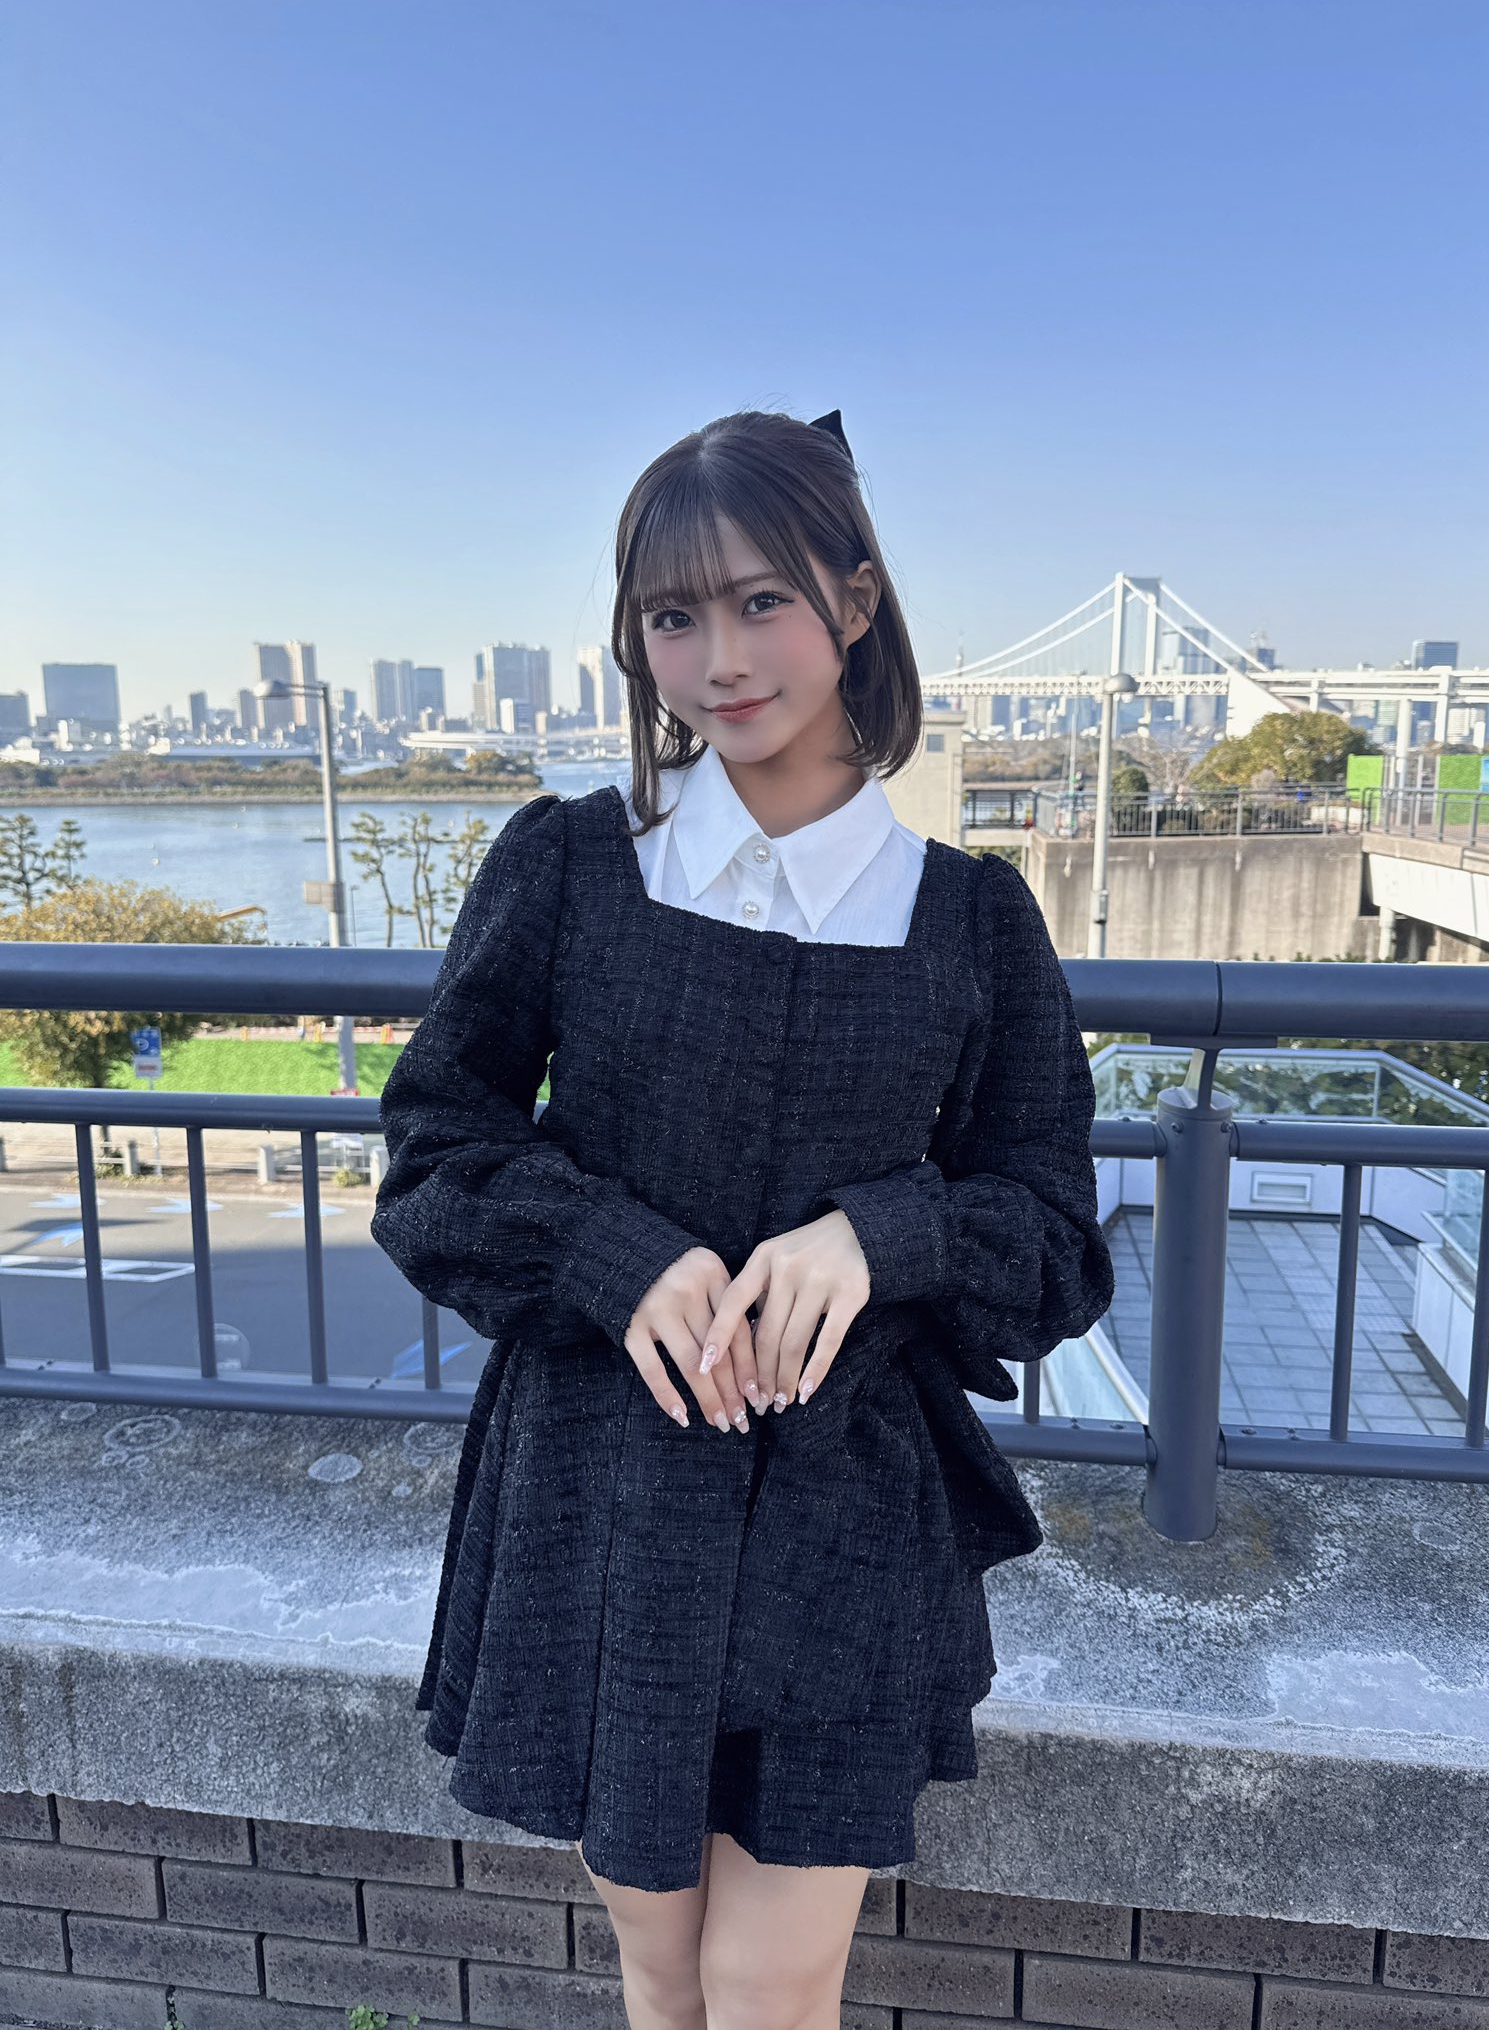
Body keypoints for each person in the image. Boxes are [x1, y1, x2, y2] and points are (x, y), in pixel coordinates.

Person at [369, 407, 1115, 2030]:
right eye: (672, 615)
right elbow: (432, 1156)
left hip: (847, 1514)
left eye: (762, 600)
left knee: (773, 1985)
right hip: (604, 1494)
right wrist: (611, 1253)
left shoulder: (972, 920)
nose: (717, 658)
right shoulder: (573, 865)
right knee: (661, 1975)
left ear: (855, 600)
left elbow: (1055, 1240)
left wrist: (881, 1235)